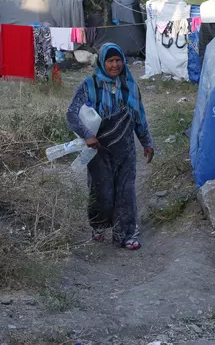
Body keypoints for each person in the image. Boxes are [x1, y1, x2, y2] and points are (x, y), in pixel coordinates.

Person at [66, 43, 154, 250]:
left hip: (125, 149)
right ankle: (98, 225)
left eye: (118, 60)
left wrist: (146, 142)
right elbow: (71, 114)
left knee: (126, 191)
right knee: (101, 191)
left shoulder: (130, 86)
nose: (115, 65)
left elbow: (139, 116)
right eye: (110, 61)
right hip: (99, 150)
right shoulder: (89, 86)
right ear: (102, 62)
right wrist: (87, 135)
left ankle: (126, 234)